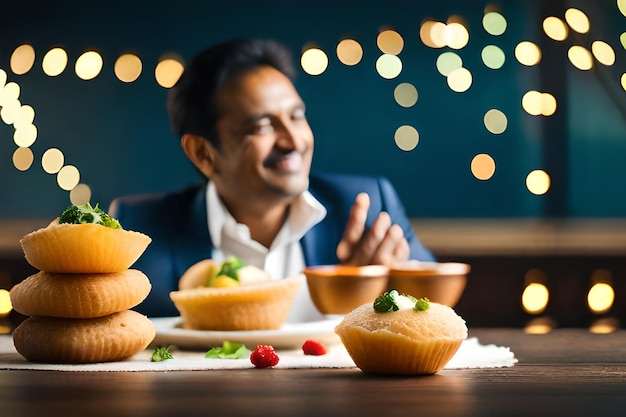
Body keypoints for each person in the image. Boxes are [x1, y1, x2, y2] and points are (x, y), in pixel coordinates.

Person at [109, 38, 435, 320]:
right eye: (263, 126)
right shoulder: (140, 229)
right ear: (202, 153)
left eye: (296, 116)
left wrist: (390, 287)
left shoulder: (367, 206)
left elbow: (433, 307)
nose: (293, 141)